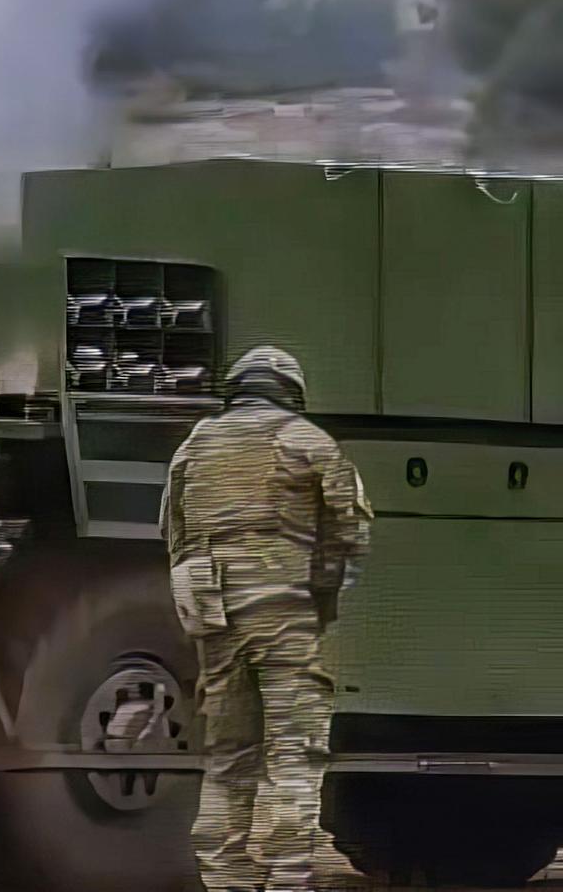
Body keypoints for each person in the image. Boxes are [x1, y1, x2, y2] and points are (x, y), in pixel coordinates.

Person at [160, 345, 373, 892]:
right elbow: (350, 534)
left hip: (213, 610)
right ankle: (286, 878)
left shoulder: (195, 445)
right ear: (291, 391)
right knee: (293, 751)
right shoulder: (309, 442)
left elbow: (174, 534)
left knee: (228, 755)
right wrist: (322, 597)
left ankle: (224, 878)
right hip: (283, 608)